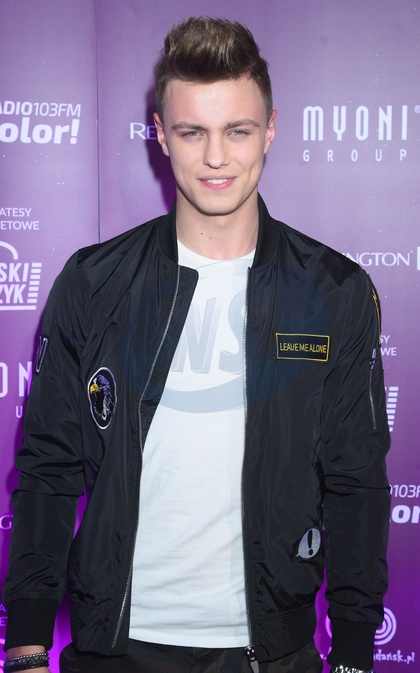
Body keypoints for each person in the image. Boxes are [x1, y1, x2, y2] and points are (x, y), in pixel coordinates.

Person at [2, 16, 390, 673]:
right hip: (115, 645)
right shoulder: (94, 282)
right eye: (192, 132)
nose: (216, 158)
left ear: (270, 129)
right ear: (160, 134)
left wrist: (353, 653)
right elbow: (48, 468)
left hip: (270, 651)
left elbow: (356, 482)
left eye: (237, 130)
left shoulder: (335, 291)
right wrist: (26, 645)